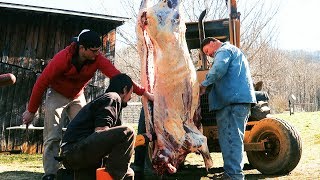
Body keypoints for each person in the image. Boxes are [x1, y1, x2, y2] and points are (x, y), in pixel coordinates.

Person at [22, 29, 153, 180]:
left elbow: (119, 77)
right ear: (81, 48)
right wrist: (31, 111)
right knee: (53, 135)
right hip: (57, 94)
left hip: (77, 95)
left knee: (91, 132)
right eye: (93, 51)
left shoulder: (97, 59)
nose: (97, 54)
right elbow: (41, 82)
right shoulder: (62, 59)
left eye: (98, 50)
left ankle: (89, 168)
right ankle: (51, 173)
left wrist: (145, 93)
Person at [199, 37, 256, 180]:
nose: (209, 55)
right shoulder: (232, 51)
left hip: (232, 102)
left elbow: (218, 68)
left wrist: (204, 84)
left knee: (232, 138)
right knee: (229, 139)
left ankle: (235, 176)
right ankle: (230, 173)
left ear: (213, 43)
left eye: (207, 51)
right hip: (234, 101)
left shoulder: (223, 50)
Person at [60, 73, 136, 180]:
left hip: (77, 153)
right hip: (73, 151)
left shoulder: (108, 101)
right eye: (131, 92)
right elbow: (100, 131)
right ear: (124, 89)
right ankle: (111, 178)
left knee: (128, 173)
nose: (131, 97)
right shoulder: (113, 97)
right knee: (128, 132)